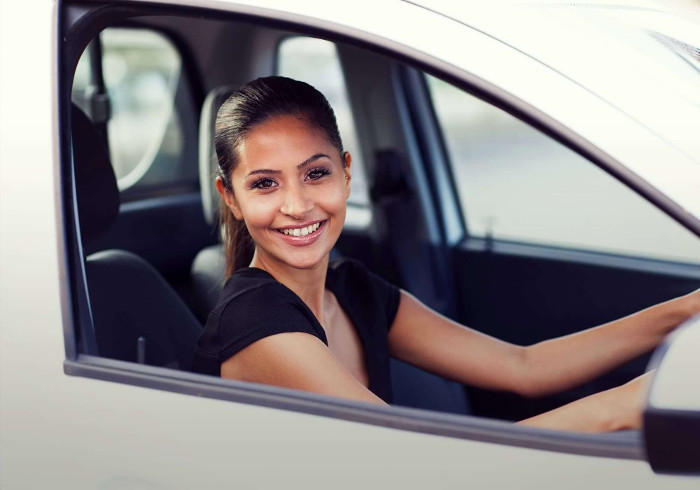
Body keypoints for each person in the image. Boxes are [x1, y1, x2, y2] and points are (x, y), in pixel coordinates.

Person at [192, 76, 700, 433]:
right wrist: (632, 404)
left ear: (347, 173)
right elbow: (419, 461)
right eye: (265, 184)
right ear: (231, 198)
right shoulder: (257, 324)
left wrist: (684, 310)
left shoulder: (354, 289)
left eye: (316, 173)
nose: (297, 205)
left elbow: (524, 366)